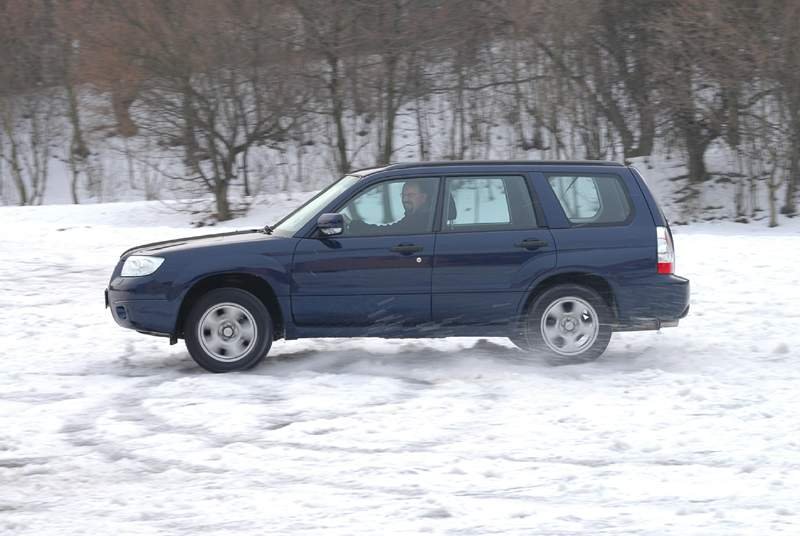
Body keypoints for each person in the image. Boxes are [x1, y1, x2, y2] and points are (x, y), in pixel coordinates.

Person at [348, 180, 434, 235]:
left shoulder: (420, 220)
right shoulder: (422, 216)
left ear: (423, 198)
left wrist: (358, 227)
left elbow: (388, 232)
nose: (405, 199)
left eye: (410, 195)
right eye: (403, 195)